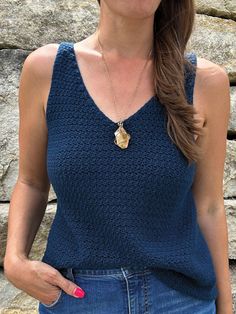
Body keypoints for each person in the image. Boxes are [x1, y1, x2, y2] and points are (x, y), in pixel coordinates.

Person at [3, 0, 232, 313]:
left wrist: (226, 306)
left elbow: (209, 206)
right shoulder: (47, 70)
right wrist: (14, 260)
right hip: (78, 299)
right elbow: (31, 182)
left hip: (180, 300)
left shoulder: (205, 82)